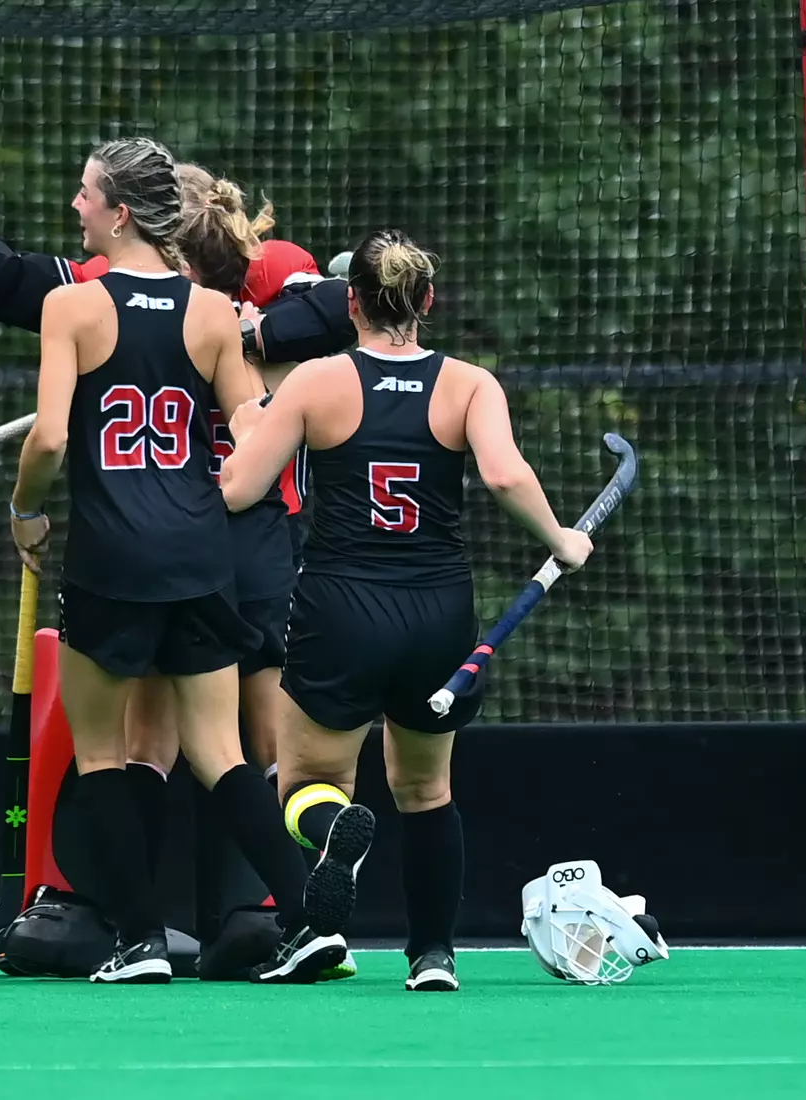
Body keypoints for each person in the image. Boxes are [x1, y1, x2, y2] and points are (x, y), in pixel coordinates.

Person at [0, 166, 362, 981]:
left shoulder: (74, 304)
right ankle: (303, 917)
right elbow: (253, 422)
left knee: (106, 754)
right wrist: (226, 481)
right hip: (204, 553)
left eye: (84, 194)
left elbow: (46, 441)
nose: (74, 204)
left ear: (118, 215)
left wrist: (24, 511)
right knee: (223, 754)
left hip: (111, 557)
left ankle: (139, 939)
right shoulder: (214, 313)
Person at [220, 228, 594, 992]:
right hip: (438, 612)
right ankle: (433, 957)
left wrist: (245, 427)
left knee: (302, 782)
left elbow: (239, 490)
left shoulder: (316, 382)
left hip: (339, 609)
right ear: (425, 301)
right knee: (426, 790)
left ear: (349, 302)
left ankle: (332, 837)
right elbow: (504, 472)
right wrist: (561, 537)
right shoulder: (469, 384)